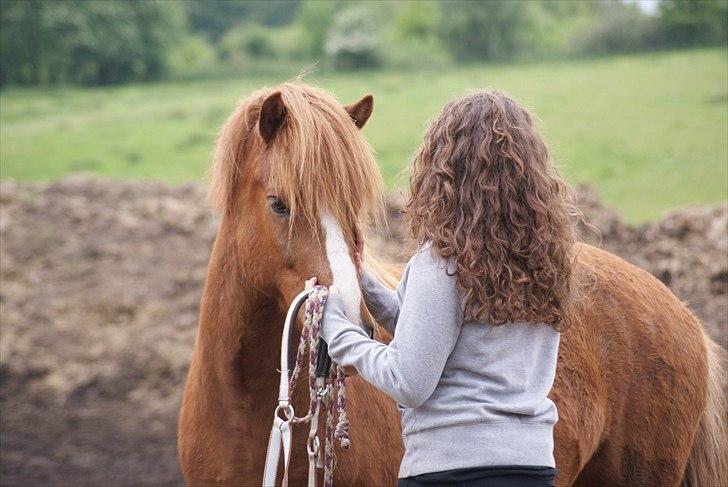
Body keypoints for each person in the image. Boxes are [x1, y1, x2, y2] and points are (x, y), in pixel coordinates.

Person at [313, 91, 578, 487]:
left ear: (444, 169)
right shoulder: (543, 264)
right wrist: (360, 278)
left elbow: (408, 381)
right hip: (533, 467)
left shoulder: (444, 263)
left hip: (451, 472)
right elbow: (442, 333)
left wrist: (338, 331)